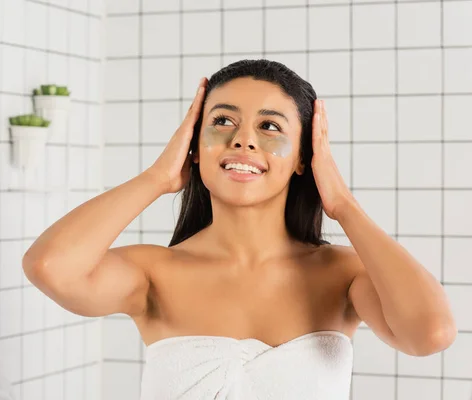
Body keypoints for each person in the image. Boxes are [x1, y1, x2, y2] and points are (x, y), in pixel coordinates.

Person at [22, 59, 457, 399]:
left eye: (269, 127)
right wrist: (157, 177)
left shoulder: (342, 274)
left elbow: (430, 335)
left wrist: (343, 204)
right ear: (193, 148)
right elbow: (49, 266)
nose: (243, 140)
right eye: (223, 121)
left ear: (304, 157)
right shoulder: (154, 272)